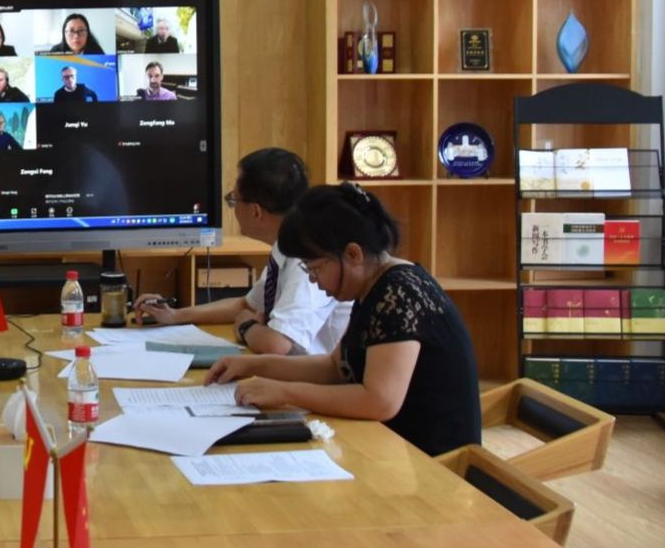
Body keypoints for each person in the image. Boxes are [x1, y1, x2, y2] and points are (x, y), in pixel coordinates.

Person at [204, 183, 482, 457]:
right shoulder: (373, 284)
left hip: (433, 461)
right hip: (393, 447)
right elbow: (335, 368)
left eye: (315, 268)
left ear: (353, 254)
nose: (313, 280)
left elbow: (380, 401)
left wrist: (285, 392)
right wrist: (252, 365)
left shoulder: (398, 293)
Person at [133, 148, 349, 356]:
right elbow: (246, 305)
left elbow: (277, 344)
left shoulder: (307, 260)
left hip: (314, 376)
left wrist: (246, 326)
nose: (233, 208)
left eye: (233, 200)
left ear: (256, 212)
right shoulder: (286, 245)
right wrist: (175, 315)